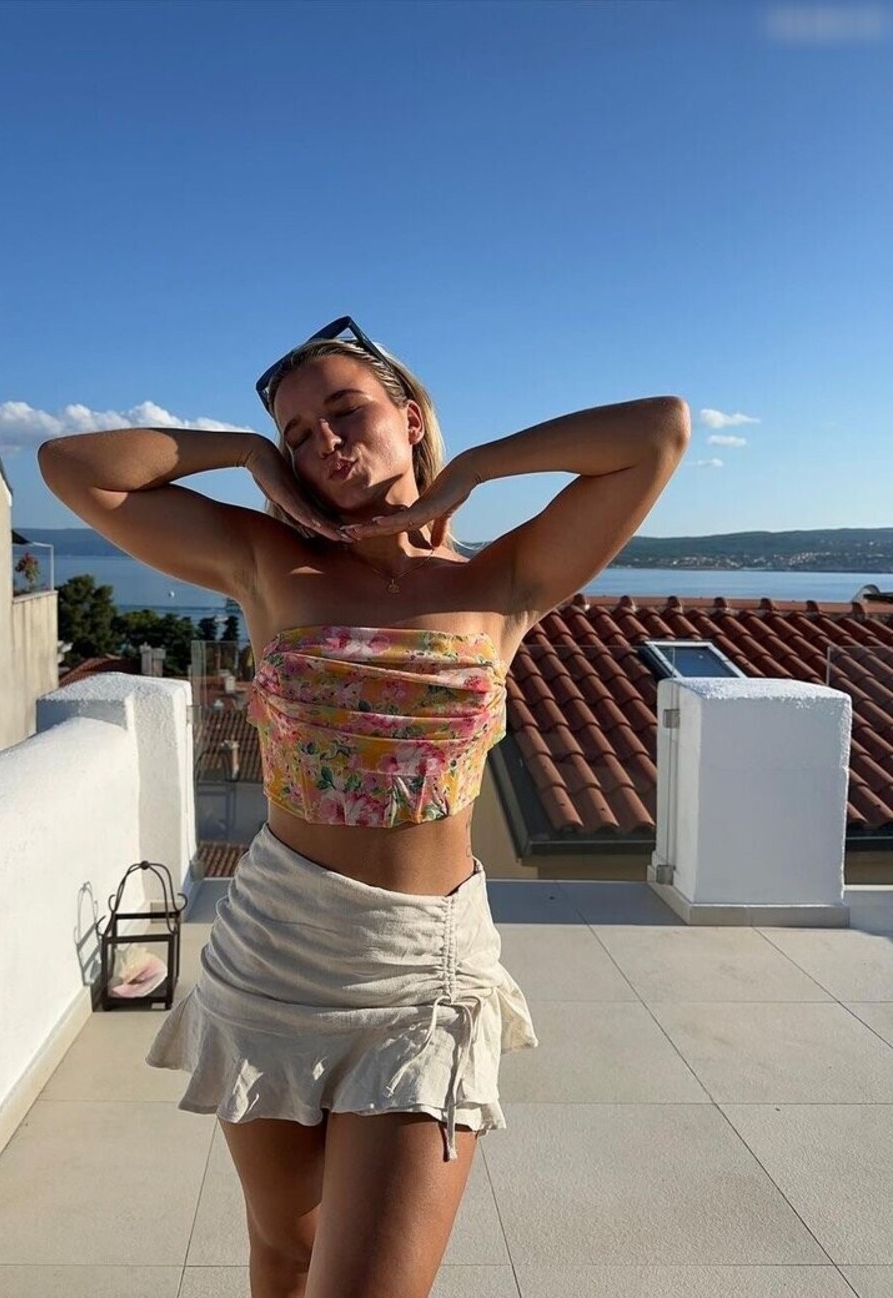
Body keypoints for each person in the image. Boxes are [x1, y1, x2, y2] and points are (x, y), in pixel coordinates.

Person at [37, 316, 690, 1298]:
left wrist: (469, 472)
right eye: (300, 435)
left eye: (347, 412)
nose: (325, 443)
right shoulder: (266, 559)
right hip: (273, 953)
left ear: (409, 416)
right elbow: (73, 466)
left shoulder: (501, 576)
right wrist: (248, 453)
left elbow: (657, 430)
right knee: (285, 1252)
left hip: (424, 973)